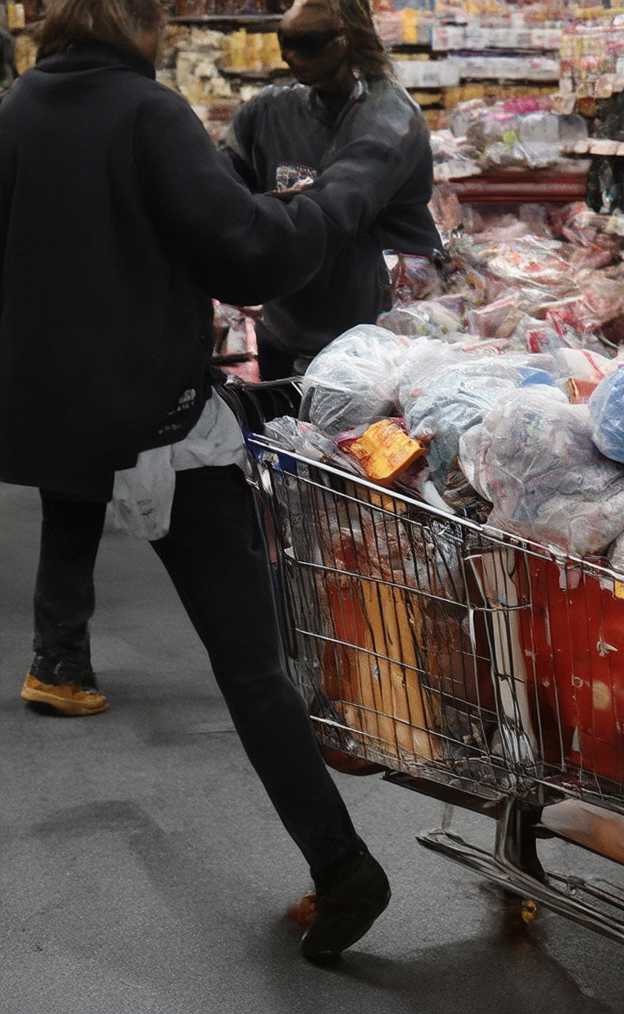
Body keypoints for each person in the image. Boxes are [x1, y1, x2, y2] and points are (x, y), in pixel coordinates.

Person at [0, 0, 392, 962]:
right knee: (251, 662)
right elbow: (250, 251)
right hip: (165, 428)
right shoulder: (147, 112)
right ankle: (343, 866)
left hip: (66, 428)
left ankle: (61, 656)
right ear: (138, 22)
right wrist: (333, 201)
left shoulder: (13, 111)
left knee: (170, 600)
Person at [225, 0, 439, 382]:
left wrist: (254, 222)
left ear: (346, 40)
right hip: (284, 327)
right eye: (283, 42)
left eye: (307, 43)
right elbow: (222, 184)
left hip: (371, 346)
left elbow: (336, 207)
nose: (290, 57)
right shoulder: (267, 112)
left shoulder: (390, 117)